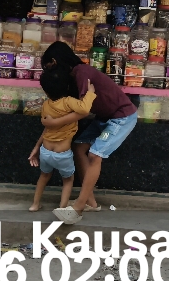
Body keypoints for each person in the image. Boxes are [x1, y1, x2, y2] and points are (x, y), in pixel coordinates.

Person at [40, 41, 137, 223]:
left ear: (54, 61)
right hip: (104, 117)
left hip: (121, 118)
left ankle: (78, 207)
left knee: (95, 155)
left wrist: (54, 123)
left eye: (49, 67)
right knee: (79, 148)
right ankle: (91, 203)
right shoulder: (73, 77)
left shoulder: (82, 73)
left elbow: (83, 110)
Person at [27, 67, 97, 212]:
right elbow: (84, 109)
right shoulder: (68, 102)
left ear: (46, 91)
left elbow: (47, 128)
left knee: (44, 176)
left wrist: (36, 148)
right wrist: (90, 93)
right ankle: (62, 207)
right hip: (62, 154)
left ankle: (35, 204)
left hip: (45, 151)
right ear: (67, 87)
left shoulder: (46, 105)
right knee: (68, 180)